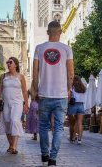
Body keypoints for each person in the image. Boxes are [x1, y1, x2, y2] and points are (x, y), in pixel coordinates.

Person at [32, 20, 74, 166]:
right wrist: (68, 89)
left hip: (44, 94)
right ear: (60, 32)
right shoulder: (67, 49)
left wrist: (35, 90)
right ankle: (53, 158)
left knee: (43, 126)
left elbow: (35, 72)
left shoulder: (39, 48)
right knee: (58, 128)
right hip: (61, 95)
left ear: (47, 32)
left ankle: (44, 155)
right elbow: (71, 73)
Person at [0, 56, 29, 155]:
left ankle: (14, 146)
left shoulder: (21, 77)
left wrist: (26, 104)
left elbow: (25, 92)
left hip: (17, 103)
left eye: (10, 62)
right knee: (7, 122)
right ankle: (10, 145)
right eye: (7, 62)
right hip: (6, 103)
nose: (8, 64)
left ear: (15, 64)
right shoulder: (3, 76)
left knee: (14, 120)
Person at [67, 76, 86, 144]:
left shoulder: (72, 87)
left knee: (72, 124)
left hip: (73, 105)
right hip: (81, 105)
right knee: (80, 123)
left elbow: (69, 96)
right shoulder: (83, 88)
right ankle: (79, 139)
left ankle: (72, 138)